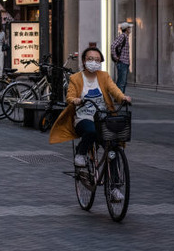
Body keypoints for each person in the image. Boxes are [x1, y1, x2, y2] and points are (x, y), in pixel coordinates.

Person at [49, 47, 131, 179]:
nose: (94, 62)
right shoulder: (76, 78)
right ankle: (81, 153)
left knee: (113, 149)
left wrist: (123, 98)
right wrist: (75, 100)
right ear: (84, 61)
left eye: (97, 60)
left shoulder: (104, 76)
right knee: (91, 130)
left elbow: (114, 89)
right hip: (83, 118)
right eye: (90, 59)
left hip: (103, 118)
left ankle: (115, 187)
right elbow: (70, 96)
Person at [110, 22, 132, 93]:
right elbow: (113, 45)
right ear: (126, 29)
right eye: (129, 27)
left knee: (122, 81)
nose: (130, 29)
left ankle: (118, 96)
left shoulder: (125, 37)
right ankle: (120, 97)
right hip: (122, 62)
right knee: (122, 82)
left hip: (125, 62)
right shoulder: (123, 36)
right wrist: (115, 57)